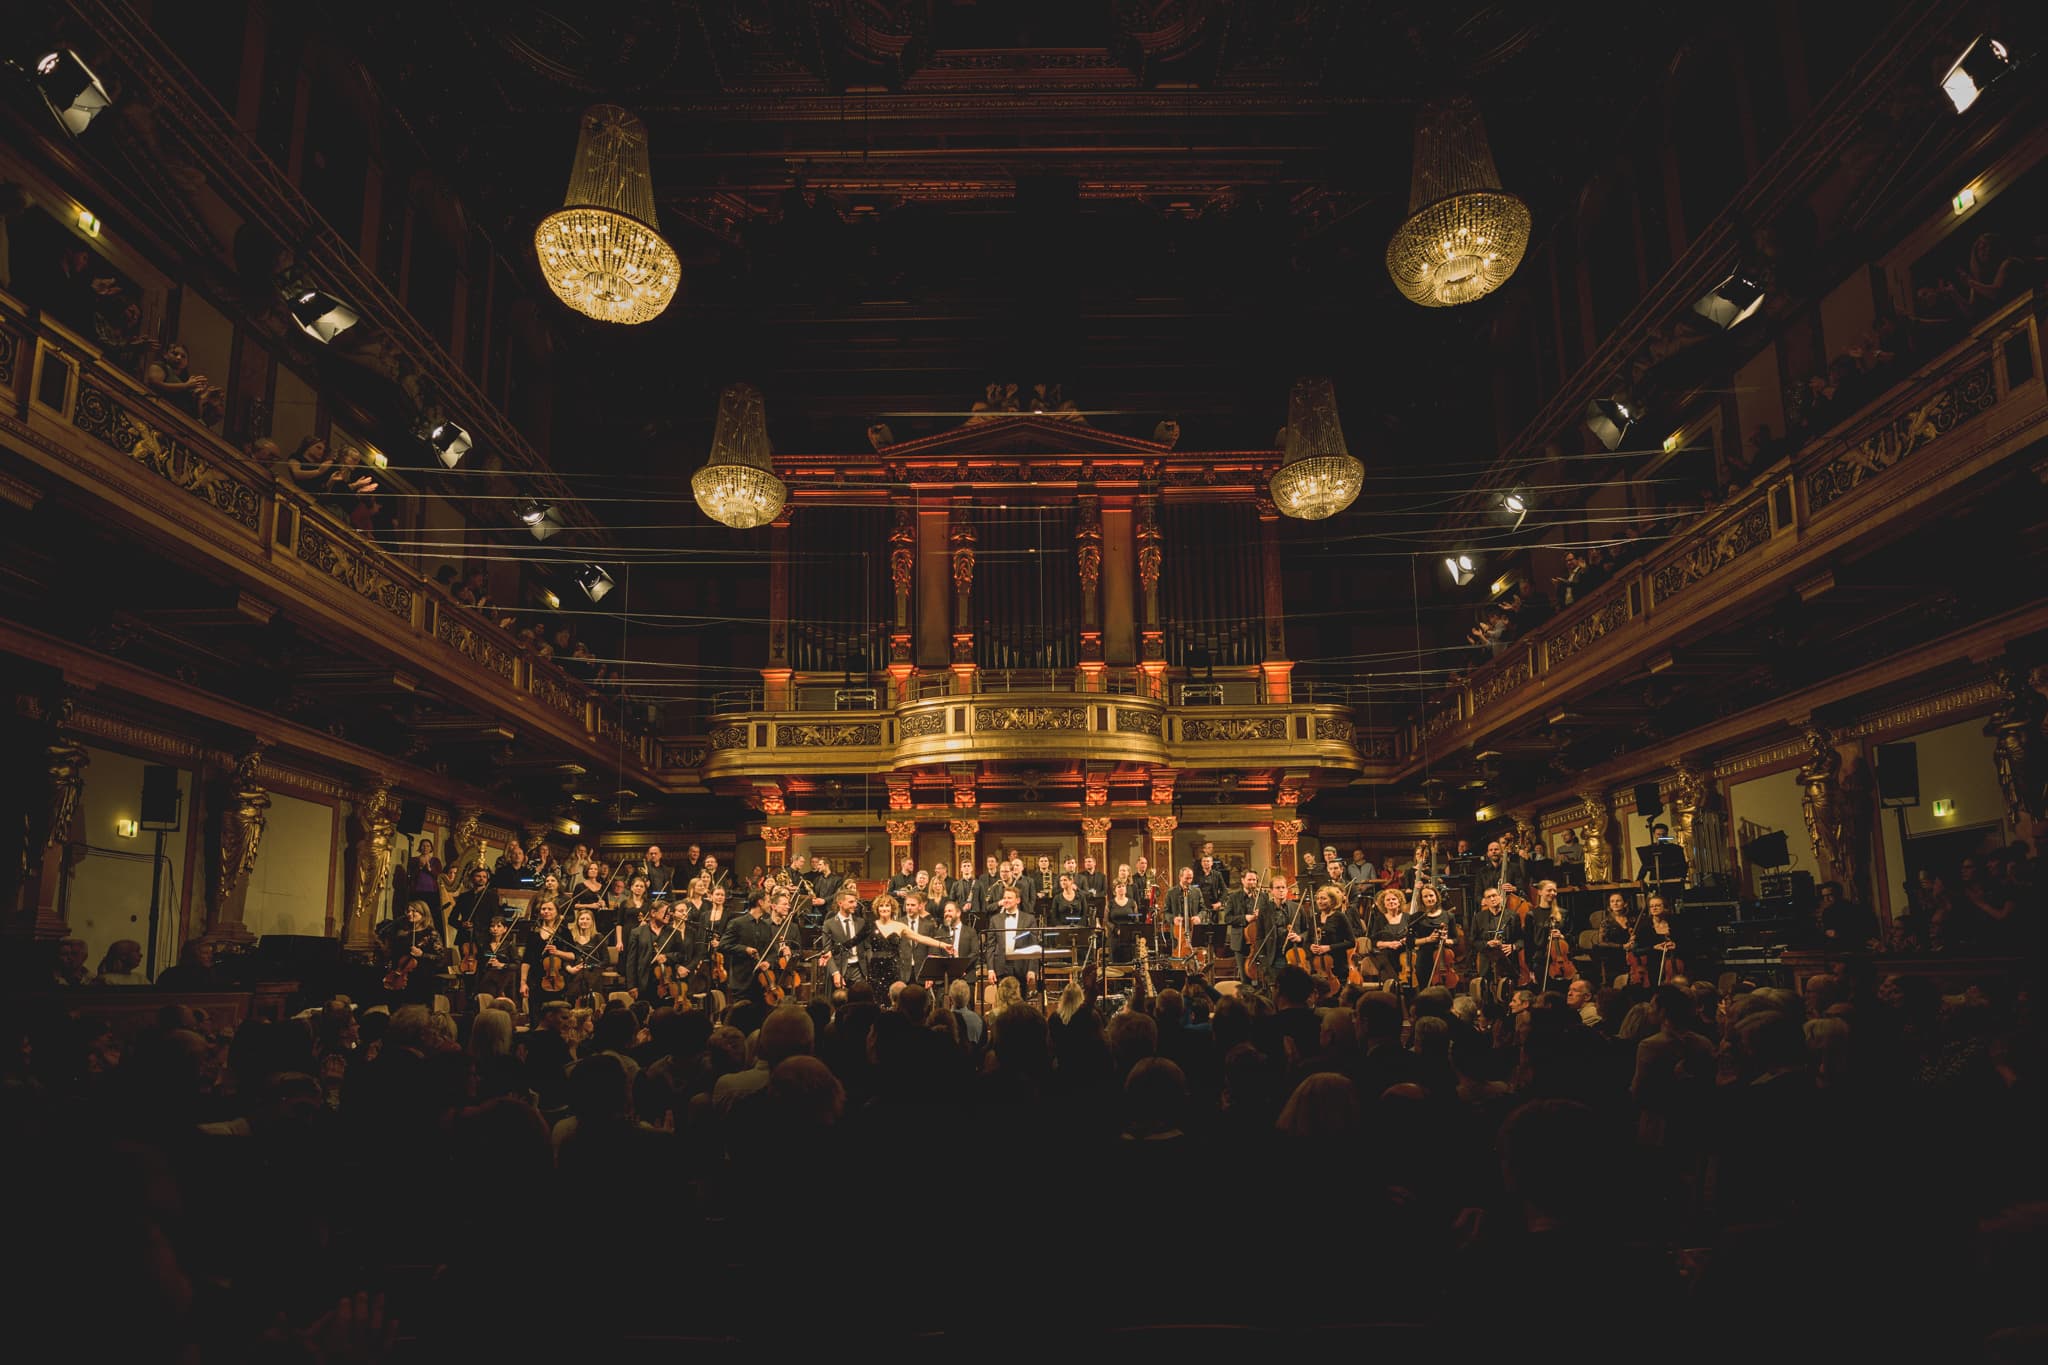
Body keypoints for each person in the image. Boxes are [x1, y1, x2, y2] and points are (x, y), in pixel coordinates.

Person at [379, 899, 445, 1005]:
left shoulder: (431, 933)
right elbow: (394, 954)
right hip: (400, 974)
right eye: (408, 911)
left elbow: (440, 958)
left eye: (414, 911)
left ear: (423, 914)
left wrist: (422, 954)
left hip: (421, 977)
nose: (409, 914)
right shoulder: (403, 932)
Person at [985, 885, 1039, 993]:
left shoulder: (1029, 919)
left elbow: (1034, 946)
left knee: (1021, 1001)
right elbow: (990, 946)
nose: (1006, 900)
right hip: (1001, 966)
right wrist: (990, 969)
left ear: (1018, 900)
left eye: (1009, 898)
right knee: (1002, 1001)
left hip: (1022, 967)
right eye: (1004, 898)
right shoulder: (995, 919)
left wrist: (1032, 970)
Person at [820, 887, 872, 990]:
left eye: (855, 901)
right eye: (851, 902)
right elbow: (827, 951)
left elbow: (868, 947)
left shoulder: (861, 922)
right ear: (840, 903)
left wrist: (868, 967)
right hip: (839, 969)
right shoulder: (829, 924)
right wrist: (835, 972)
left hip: (859, 969)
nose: (855, 905)